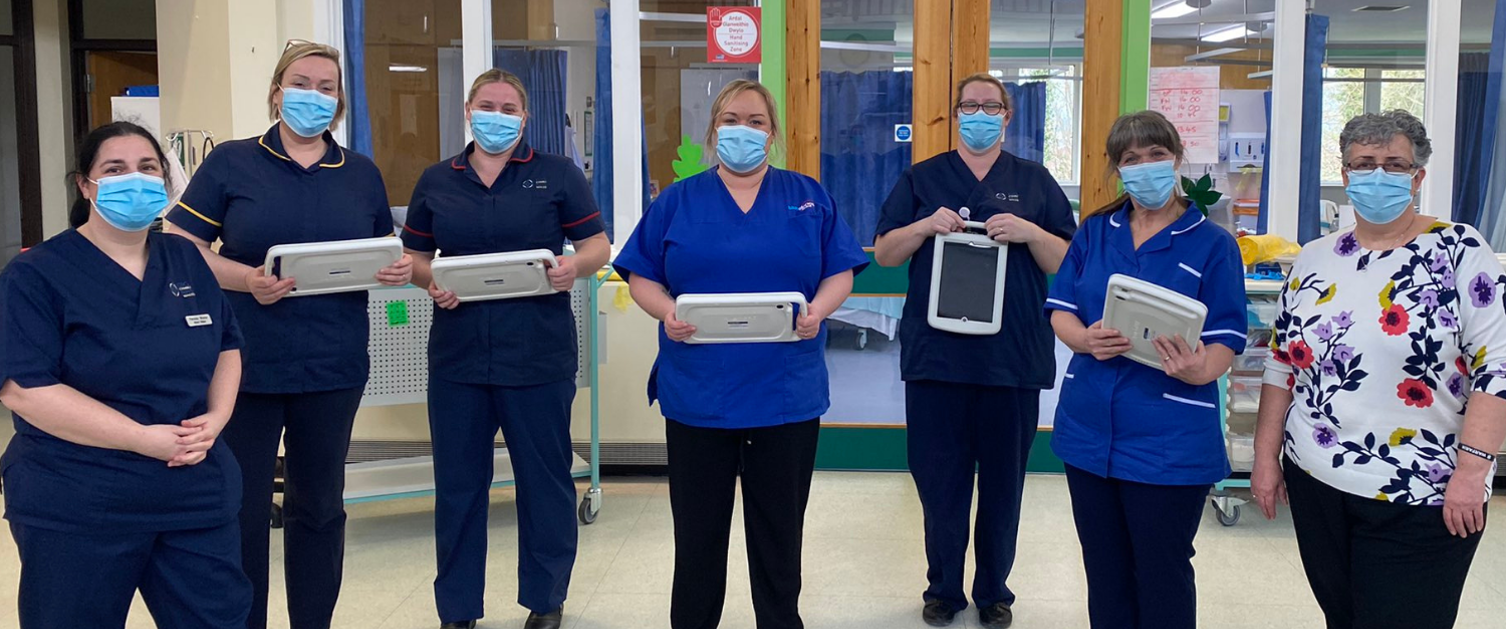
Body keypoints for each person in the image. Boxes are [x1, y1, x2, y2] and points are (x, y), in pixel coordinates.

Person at [163, 40, 413, 629]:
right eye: (303, 83)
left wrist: (395, 269)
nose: (314, 96)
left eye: (327, 87)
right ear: (277, 91)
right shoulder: (232, 162)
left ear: (340, 100)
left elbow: (378, 250)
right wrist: (246, 280)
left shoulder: (360, 174)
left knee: (320, 507)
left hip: (333, 363)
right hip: (244, 365)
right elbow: (181, 246)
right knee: (244, 507)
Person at [614, 78, 868, 629]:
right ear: (713, 130)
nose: (743, 131)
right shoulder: (678, 201)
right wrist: (666, 314)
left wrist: (819, 311)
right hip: (699, 394)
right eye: (732, 119)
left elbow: (839, 271)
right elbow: (641, 276)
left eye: (756, 122)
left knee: (779, 536)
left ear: (772, 134)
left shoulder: (807, 196)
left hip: (785, 395)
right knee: (699, 537)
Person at [1251, 110, 1506, 629]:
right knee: (1343, 617)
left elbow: (1497, 367)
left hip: (1426, 489)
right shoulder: (1315, 259)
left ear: (1417, 175)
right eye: (1364, 164)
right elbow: (1282, 365)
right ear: (1345, 176)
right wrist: (1265, 458)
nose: (1377, 176)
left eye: (1394, 164)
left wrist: (1474, 470)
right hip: (1317, 477)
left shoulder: (1459, 250)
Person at [0, 121, 251, 627]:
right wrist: (139, 438)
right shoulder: (36, 273)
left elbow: (226, 344)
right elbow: (24, 389)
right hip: (79, 497)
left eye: (147, 168)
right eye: (114, 170)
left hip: (192, 491)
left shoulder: (184, 258)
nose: (133, 180)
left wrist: (218, 416)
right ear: (85, 185)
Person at [401, 69, 610, 629]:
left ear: (525, 116)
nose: (498, 115)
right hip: (458, 359)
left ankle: (546, 601)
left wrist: (573, 268)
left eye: (509, 106)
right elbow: (414, 258)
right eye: (487, 105)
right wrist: (430, 281)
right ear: (469, 111)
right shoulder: (436, 180)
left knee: (544, 484)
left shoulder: (558, 174)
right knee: (459, 489)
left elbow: (597, 245)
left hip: (537, 355)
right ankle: (458, 609)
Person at [872, 72, 1076, 628]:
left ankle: (994, 592)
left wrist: (1032, 233)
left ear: (1007, 116)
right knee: (940, 482)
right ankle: (942, 588)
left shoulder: (1034, 182)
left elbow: (1066, 260)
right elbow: (887, 253)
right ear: (955, 113)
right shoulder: (922, 177)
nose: (980, 114)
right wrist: (924, 226)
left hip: (1010, 360)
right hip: (938, 361)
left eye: (991, 106)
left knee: (1004, 486)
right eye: (969, 105)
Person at [1043, 110, 1248, 629]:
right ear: (1117, 170)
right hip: (1090, 433)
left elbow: (1226, 335)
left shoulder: (1212, 243)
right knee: (1104, 572)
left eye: (1156, 155)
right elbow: (1061, 309)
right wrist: (1084, 340)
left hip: (1169, 438)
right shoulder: (1095, 231)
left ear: (1176, 158)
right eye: (1131, 159)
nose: (1145, 167)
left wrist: (1200, 371)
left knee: (1160, 572)